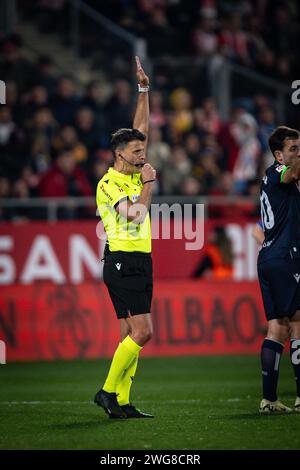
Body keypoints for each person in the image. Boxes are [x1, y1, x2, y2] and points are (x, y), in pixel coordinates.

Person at [94, 57, 155, 419]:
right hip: (123, 261)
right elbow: (136, 215)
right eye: (136, 153)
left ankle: (122, 401)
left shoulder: (130, 169)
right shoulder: (111, 183)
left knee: (128, 338)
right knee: (143, 332)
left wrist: (143, 89)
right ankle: (106, 392)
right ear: (120, 156)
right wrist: (147, 184)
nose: (142, 155)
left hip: (139, 260)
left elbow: (140, 129)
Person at [258, 126, 300, 413]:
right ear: (278, 154)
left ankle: (269, 399)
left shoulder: (271, 178)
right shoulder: (279, 172)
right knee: (297, 325)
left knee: (276, 328)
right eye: (294, 149)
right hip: (285, 257)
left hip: (268, 257)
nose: (299, 153)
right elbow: (292, 173)